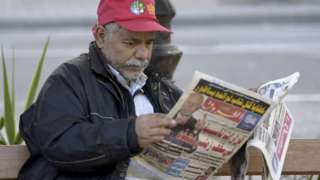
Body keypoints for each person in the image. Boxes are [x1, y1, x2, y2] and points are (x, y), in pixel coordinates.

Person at [17, 0, 182, 179]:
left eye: (148, 43)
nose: (143, 54)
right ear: (100, 36)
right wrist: (129, 134)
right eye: (130, 43)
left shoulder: (157, 85)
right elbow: (58, 143)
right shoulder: (69, 79)